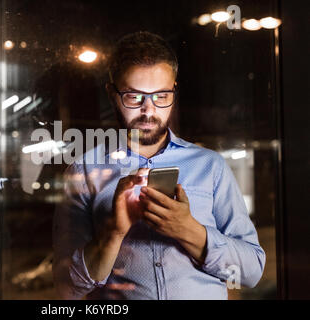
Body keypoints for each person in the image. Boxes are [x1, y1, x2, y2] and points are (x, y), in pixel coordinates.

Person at [52, 31, 265, 300]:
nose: (149, 110)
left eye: (161, 96)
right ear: (111, 94)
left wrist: (190, 231)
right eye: (134, 96)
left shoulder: (210, 166)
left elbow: (252, 271)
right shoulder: (84, 171)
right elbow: (65, 290)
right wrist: (114, 233)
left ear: (174, 90)